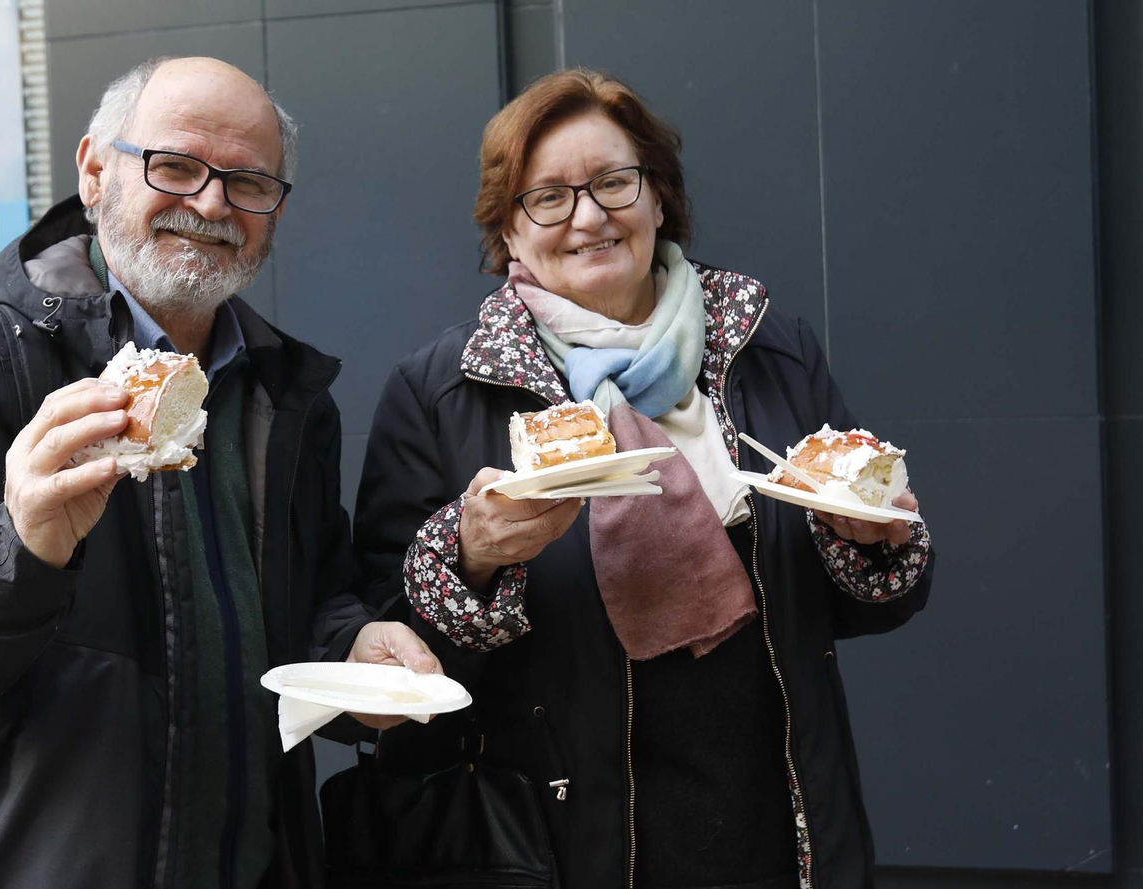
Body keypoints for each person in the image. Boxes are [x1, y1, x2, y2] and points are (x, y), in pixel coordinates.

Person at [0, 57, 435, 889]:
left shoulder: (281, 393)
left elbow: (298, 606)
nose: (212, 204)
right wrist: (16, 548)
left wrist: (351, 646)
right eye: (175, 165)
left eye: (248, 182)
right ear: (95, 171)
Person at [353, 69, 935, 889]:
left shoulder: (770, 348)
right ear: (508, 231)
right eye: (547, 198)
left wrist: (874, 540)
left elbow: (867, 604)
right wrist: (470, 556)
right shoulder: (441, 393)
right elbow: (387, 652)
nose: (589, 216)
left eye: (614, 183)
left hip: (783, 834)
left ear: (658, 197)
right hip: (565, 850)